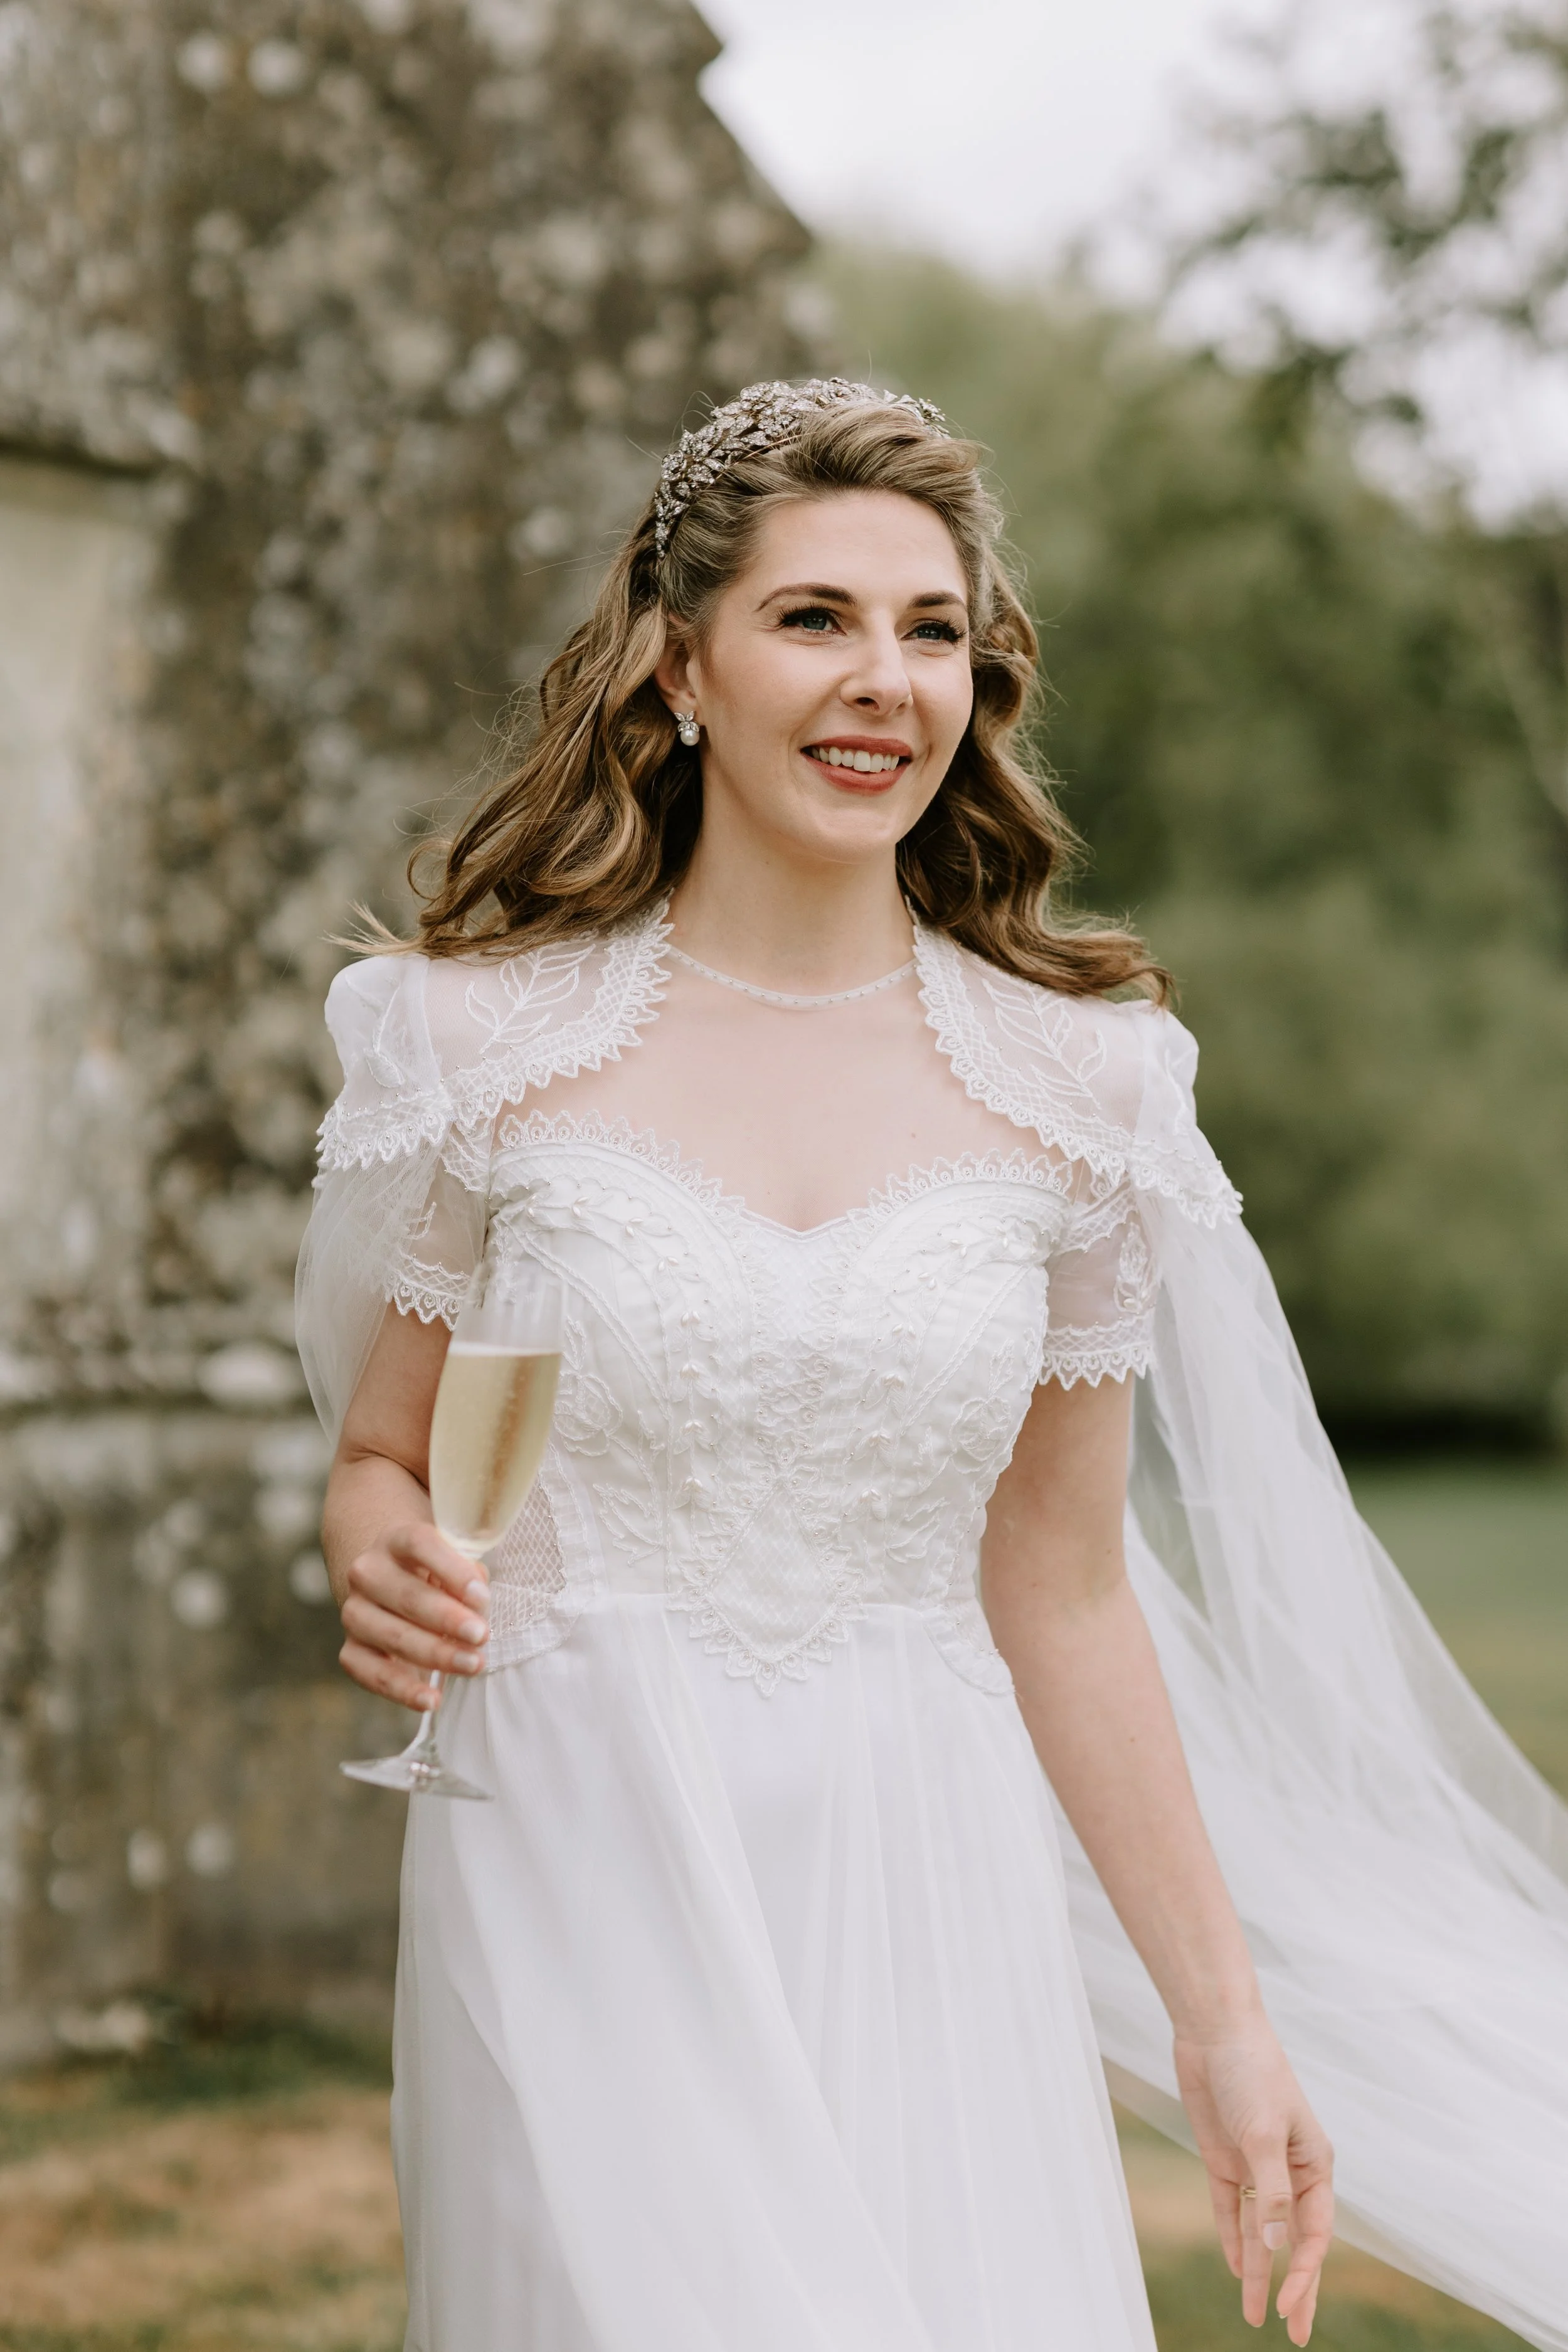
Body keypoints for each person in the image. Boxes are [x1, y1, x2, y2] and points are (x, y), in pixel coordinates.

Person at [299, 380, 1568, 2352]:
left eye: (929, 628)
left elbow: (1060, 1590)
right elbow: (387, 1450)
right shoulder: (478, 1051)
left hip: (924, 1863)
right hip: (578, 1840)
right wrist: (372, 1535)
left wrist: (1226, 2029)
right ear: (676, 664)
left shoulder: (1083, 1093)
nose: (880, 677)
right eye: (812, 616)